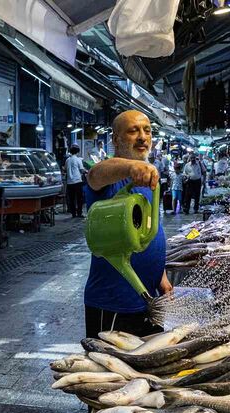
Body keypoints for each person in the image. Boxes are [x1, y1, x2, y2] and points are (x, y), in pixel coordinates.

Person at [84, 110, 172, 338]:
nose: (142, 136)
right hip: (113, 304)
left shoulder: (147, 178)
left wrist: (160, 274)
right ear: (115, 139)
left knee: (148, 369)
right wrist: (131, 168)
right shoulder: (110, 179)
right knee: (113, 371)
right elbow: (94, 174)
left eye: (147, 130)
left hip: (149, 299)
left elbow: (148, 228)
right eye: (133, 131)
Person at [65, 145, 87, 218]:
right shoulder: (78, 160)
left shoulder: (67, 160)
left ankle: (73, 214)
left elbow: (65, 169)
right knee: (79, 198)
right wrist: (87, 171)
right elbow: (82, 170)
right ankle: (79, 213)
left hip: (69, 182)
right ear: (77, 152)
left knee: (71, 199)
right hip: (77, 181)